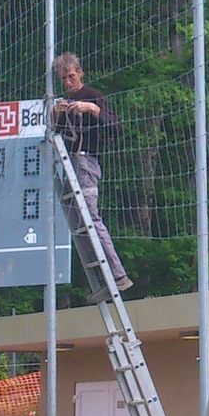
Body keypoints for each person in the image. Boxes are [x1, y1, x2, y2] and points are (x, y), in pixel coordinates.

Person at [51, 51, 132, 294]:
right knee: (77, 223)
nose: (68, 83)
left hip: (86, 162)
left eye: (72, 77)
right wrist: (57, 115)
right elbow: (58, 135)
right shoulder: (63, 103)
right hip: (69, 164)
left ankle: (118, 274)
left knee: (92, 219)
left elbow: (116, 126)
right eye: (64, 79)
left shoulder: (94, 97)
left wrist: (91, 109)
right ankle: (100, 277)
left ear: (81, 73)